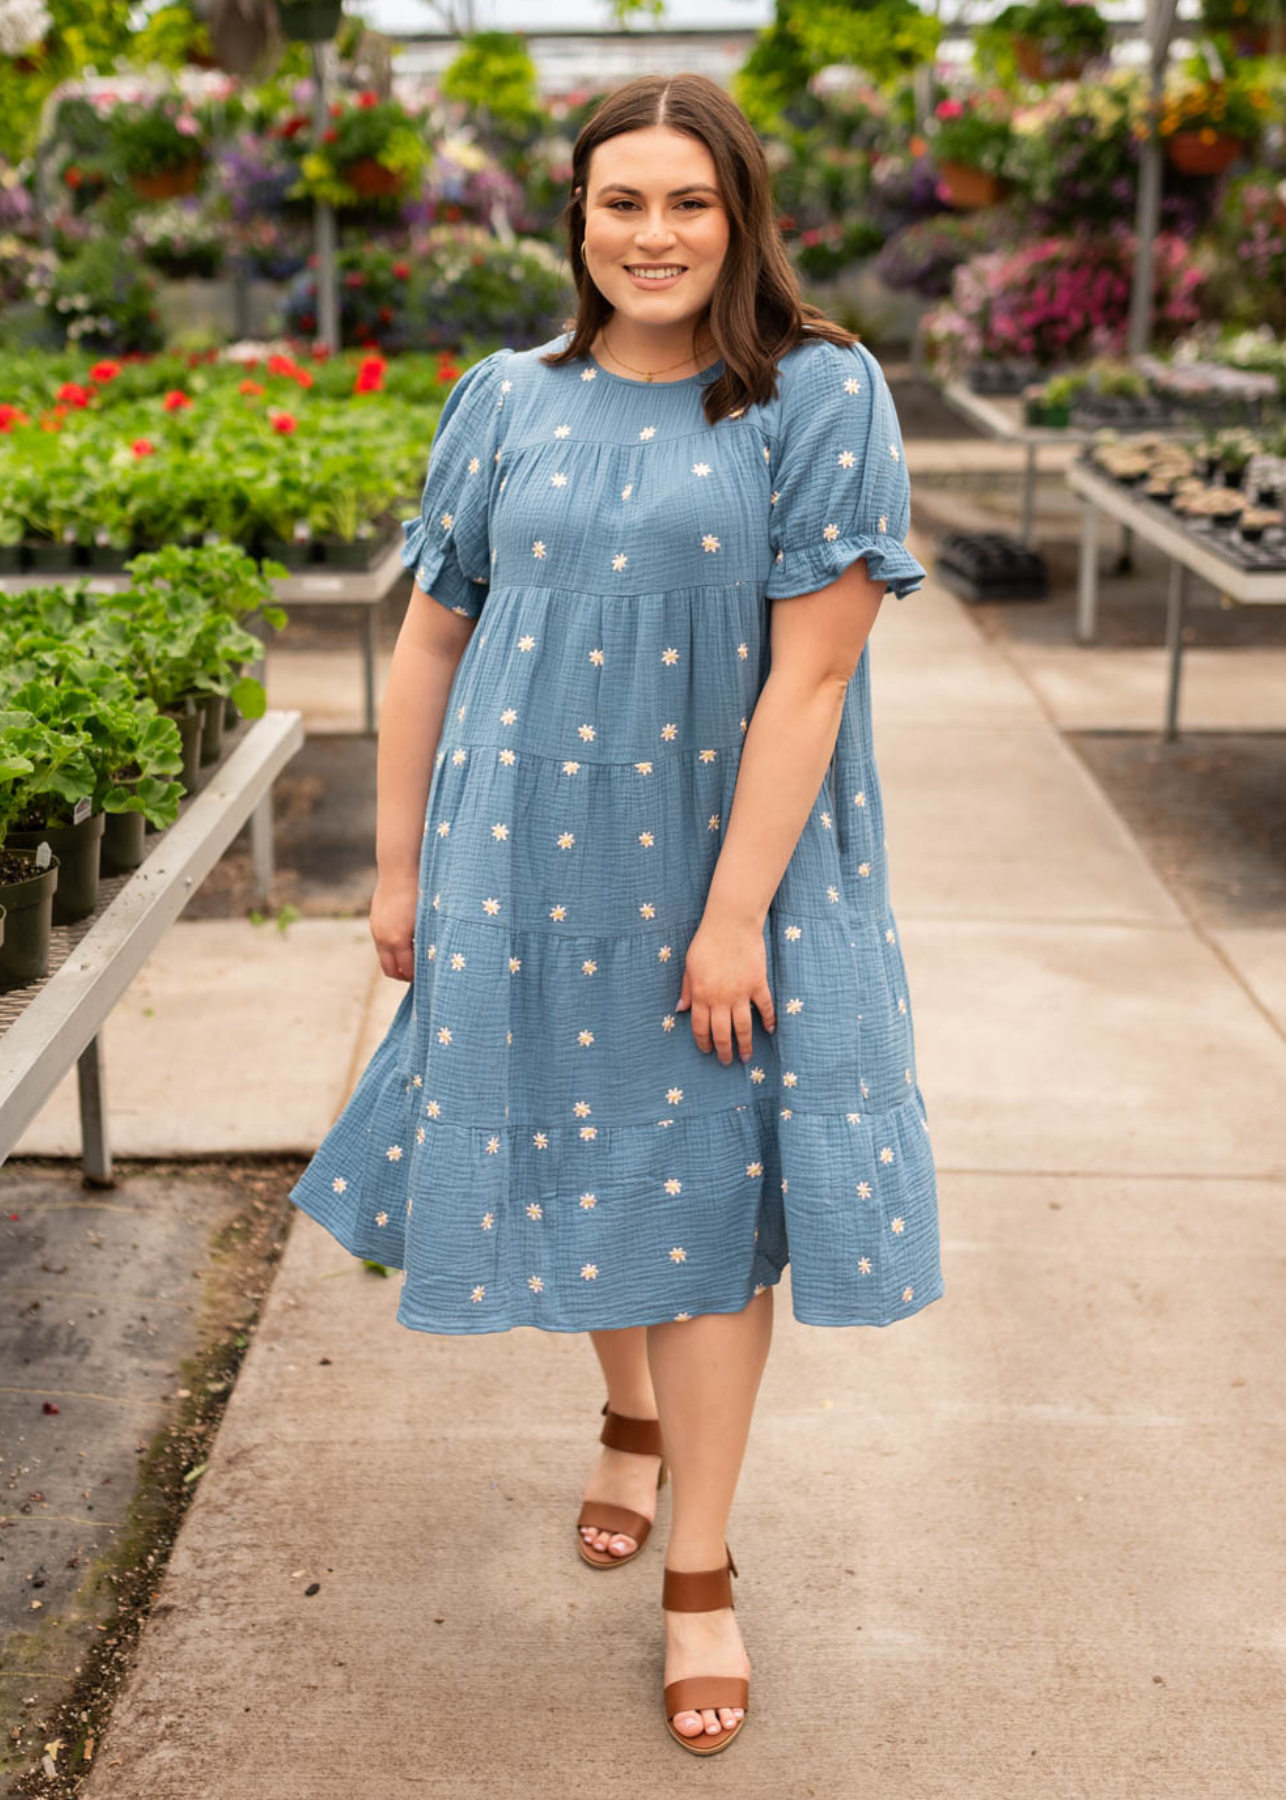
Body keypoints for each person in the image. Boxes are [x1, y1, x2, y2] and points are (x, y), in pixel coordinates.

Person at [287, 69, 944, 1756]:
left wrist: (734, 918)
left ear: (740, 218)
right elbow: (434, 638)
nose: (652, 234)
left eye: (688, 202)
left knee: (712, 1198)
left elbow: (810, 682)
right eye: (621, 201)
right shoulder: (506, 395)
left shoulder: (815, 393)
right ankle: (624, 1420)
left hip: (726, 865)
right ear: (573, 218)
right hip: (521, 857)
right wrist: (402, 869)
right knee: (586, 1151)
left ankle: (702, 1567)